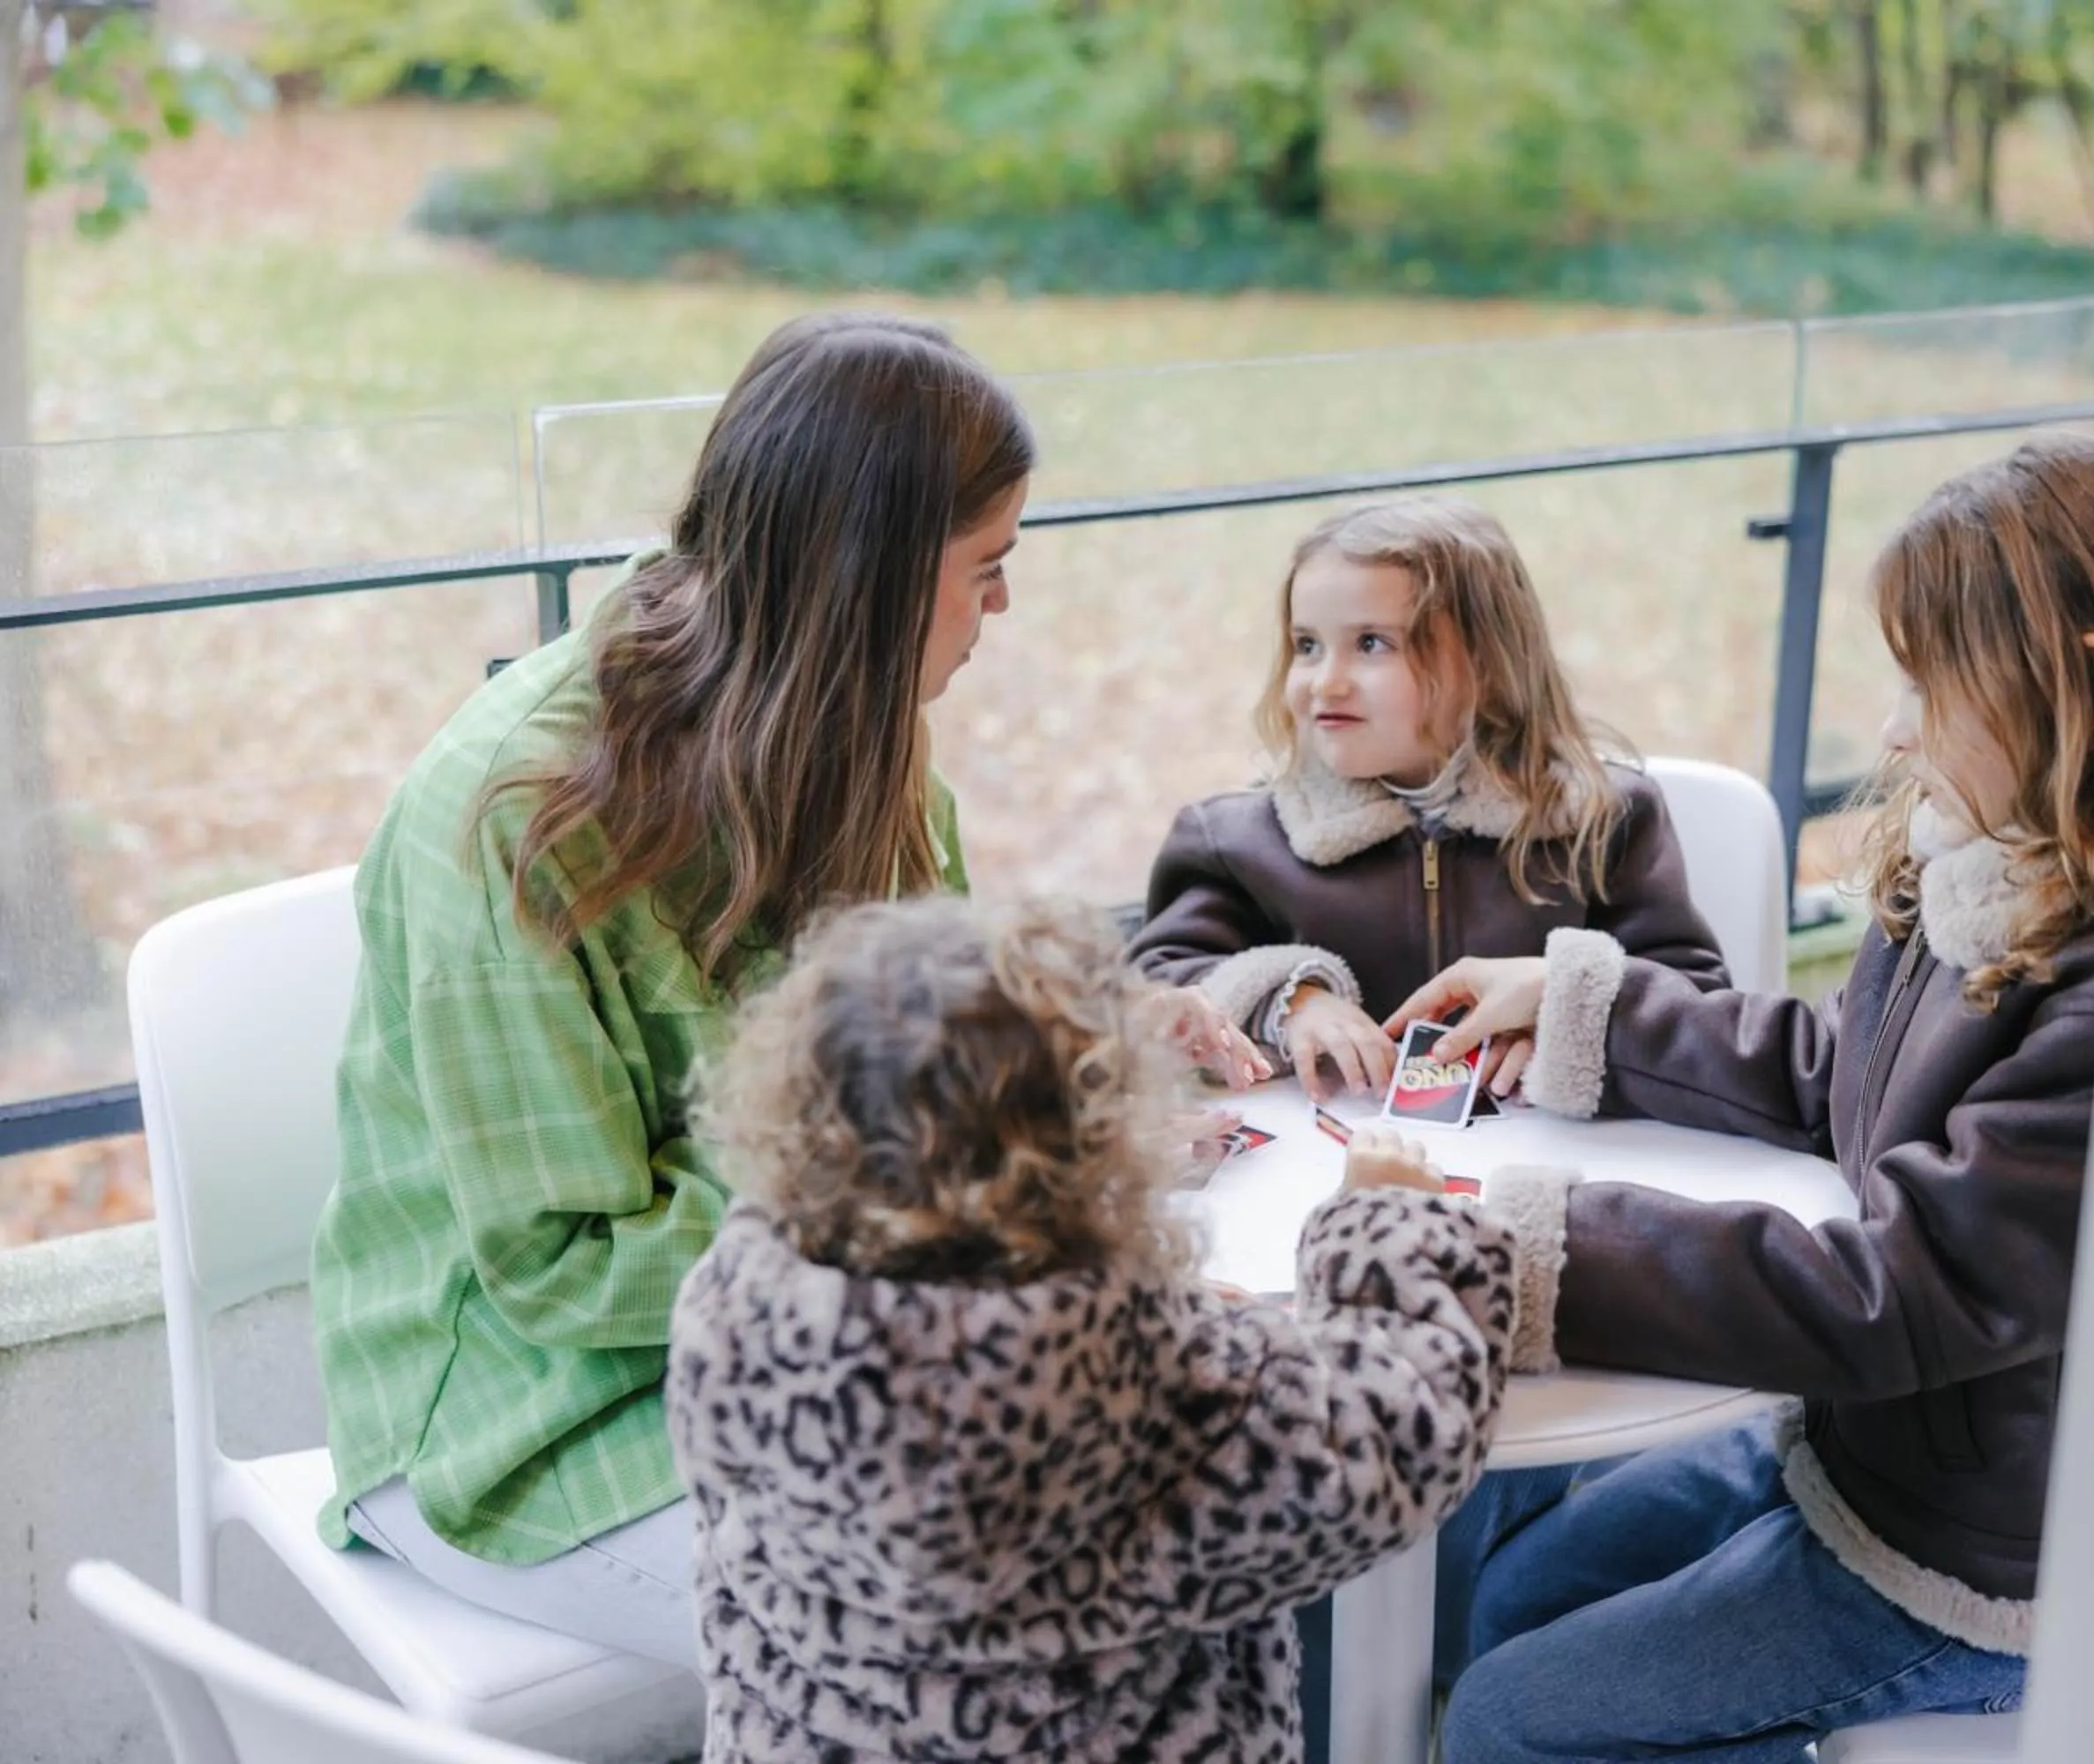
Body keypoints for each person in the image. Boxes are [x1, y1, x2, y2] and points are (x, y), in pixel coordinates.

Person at [311, 310, 1258, 1664]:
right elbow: (563, 1274)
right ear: (865, 576)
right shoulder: (512, 823)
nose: (1005, 606)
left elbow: (912, 1045)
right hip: (532, 1429)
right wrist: (957, 1190)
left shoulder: (854, 726)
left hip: (820, 1336)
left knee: (1166, 1491)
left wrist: (1067, 1049)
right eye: (986, 568)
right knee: (1029, 1612)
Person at [1392, 435, 2094, 1760]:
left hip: (1963, 1564)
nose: (1896, 728)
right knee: (1512, 1603)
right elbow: (1836, 1072)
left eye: (1935, 684)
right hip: (1858, 1459)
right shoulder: (1984, 878)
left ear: (2090, 688)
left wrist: (1539, 1244)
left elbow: (1897, 1293)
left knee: (1512, 1724)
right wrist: (1589, 1002)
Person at [667, 895, 1518, 1762]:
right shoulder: (1135, 1375)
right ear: (1087, 1148)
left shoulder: (730, 1306)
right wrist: (1385, 1228)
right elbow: (1389, 1446)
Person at [1129, 495, 1729, 1104]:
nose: (1325, 680)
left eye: (1371, 644)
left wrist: (1562, 1016)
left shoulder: (1603, 821)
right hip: (1324, 1168)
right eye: (1306, 644)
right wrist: (1291, 1002)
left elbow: (1693, 996)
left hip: (1548, 1166)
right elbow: (1152, 990)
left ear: (1488, 664)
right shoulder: (1235, 843)